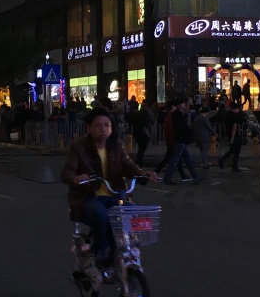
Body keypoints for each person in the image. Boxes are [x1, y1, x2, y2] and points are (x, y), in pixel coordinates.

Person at [60, 108, 152, 266]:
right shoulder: (79, 147)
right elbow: (67, 172)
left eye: (106, 125)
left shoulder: (115, 145)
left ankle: (119, 250)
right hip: (88, 197)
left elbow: (128, 165)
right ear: (89, 127)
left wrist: (144, 174)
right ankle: (99, 248)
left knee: (129, 211)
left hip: (114, 195)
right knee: (101, 214)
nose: (103, 129)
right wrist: (76, 178)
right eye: (98, 125)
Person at [162, 97, 200, 184]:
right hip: (180, 140)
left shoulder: (179, 114)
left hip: (181, 140)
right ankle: (167, 178)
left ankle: (195, 177)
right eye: (183, 103)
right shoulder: (177, 115)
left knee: (186, 159)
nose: (184, 105)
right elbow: (181, 128)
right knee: (175, 160)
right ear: (178, 105)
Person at [218, 102, 245, 172]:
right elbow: (234, 128)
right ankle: (234, 166)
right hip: (235, 135)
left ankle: (222, 160)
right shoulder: (235, 116)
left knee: (232, 150)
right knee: (236, 151)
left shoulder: (227, 115)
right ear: (236, 109)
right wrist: (233, 138)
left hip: (229, 134)